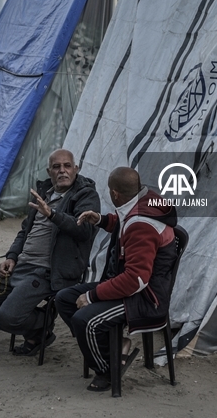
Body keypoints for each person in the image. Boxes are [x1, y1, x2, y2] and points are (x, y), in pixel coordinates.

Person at [56, 167, 178, 392]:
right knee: (64, 299)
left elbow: (136, 280)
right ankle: (112, 348)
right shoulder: (142, 200)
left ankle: (108, 369)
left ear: (114, 194)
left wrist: (92, 296)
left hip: (144, 297)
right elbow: (125, 224)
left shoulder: (142, 224)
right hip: (128, 285)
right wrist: (102, 220)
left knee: (84, 320)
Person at [0, 149, 100, 356]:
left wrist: (53, 214)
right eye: (56, 167)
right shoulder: (44, 192)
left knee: (7, 317)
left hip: (49, 271)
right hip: (21, 266)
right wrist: (11, 257)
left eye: (67, 166)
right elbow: (24, 230)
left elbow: (84, 231)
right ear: (49, 171)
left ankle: (43, 322)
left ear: (76, 169)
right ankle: (38, 330)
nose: (62, 171)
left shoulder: (85, 194)